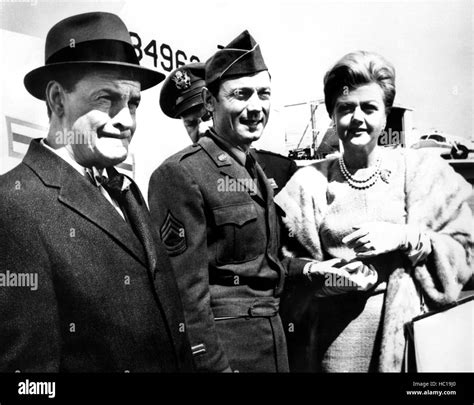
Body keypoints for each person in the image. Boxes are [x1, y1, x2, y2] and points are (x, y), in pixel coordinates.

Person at [148, 30, 359, 372]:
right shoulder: (181, 174)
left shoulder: (253, 170)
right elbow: (185, 299)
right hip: (230, 355)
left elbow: (264, 265)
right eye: (241, 95)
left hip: (273, 348)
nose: (255, 108)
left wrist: (314, 268)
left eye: (263, 94)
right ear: (210, 104)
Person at [0, 12, 194, 372]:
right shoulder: (13, 205)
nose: (127, 120)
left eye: (133, 102)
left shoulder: (125, 189)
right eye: (106, 98)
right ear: (58, 99)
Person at [275, 50, 473, 372]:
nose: (357, 118)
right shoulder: (308, 183)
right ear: (332, 114)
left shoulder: (417, 170)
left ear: (385, 113)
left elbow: (466, 248)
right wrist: (328, 277)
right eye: (345, 108)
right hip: (335, 345)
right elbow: (282, 269)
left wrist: (406, 236)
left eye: (369, 107)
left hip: (409, 339)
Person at [159, 63, 297, 195]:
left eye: (208, 117)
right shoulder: (180, 177)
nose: (201, 129)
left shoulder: (281, 169)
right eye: (191, 123)